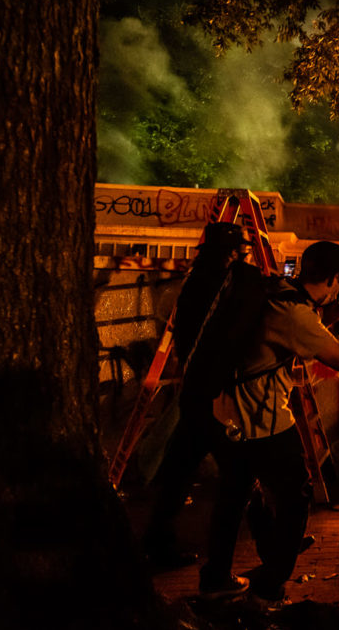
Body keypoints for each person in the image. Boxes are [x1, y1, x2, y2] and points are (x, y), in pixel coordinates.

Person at [199, 241, 339, 606]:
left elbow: (307, 328)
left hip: (227, 414)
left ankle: (216, 578)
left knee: (234, 498)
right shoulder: (295, 316)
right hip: (263, 421)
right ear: (334, 278)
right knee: (296, 499)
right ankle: (269, 586)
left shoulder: (277, 292)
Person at [143, 221, 262, 569]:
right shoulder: (220, 285)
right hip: (213, 393)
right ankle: (251, 550)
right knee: (241, 471)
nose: (241, 257)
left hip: (196, 389)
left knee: (180, 469)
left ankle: (156, 540)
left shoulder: (198, 281)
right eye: (239, 252)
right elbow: (230, 334)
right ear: (230, 252)